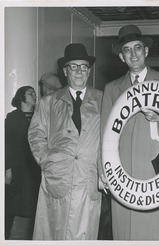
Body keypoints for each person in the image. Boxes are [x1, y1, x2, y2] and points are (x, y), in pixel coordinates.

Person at [99, 24, 159, 240]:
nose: (133, 54)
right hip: (123, 173)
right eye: (127, 50)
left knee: (156, 231)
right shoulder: (112, 88)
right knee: (125, 231)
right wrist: (102, 170)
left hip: (156, 170)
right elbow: (105, 134)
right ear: (122, 57)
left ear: (146, 51)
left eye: (137, 48)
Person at [28, 43, 102, 240]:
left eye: (83, 66)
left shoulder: (103, 100)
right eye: (73, 66)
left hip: (89, 180)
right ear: (65, 70)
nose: (79, 71)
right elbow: (36, 136)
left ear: (88, 70)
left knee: (85, 235)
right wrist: (47, 161)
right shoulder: (48, 103)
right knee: (54, 234)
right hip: (57, 180)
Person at [5, 86, 40, 239]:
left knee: (34, 205)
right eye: (30, 93)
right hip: (18, 168)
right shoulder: (12, 118)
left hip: (35, 168)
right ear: (21, 98)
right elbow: (7, 144)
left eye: (34, 93)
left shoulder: (39, 117)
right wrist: (8, 168)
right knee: (13, 205)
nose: (35, 96)